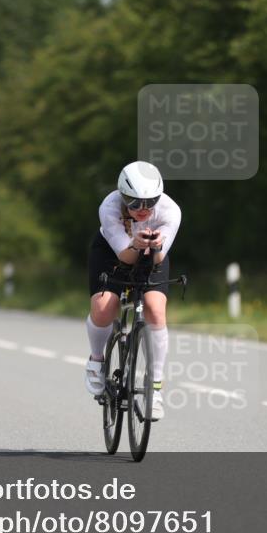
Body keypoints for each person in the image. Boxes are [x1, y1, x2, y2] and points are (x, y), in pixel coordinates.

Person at [84, 161, 181, 421]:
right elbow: (124, 256)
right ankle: (96, 360)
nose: (143, 209)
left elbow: (157, 260)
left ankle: (155, 388)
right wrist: (135, 245)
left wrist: (155, 247)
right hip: (112, 252)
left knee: (155, 310)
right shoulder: (109, 206)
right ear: (122, 196)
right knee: (104, 307)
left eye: (150, 202)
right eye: (134, 202)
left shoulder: (170, 211)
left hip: (153, 254)